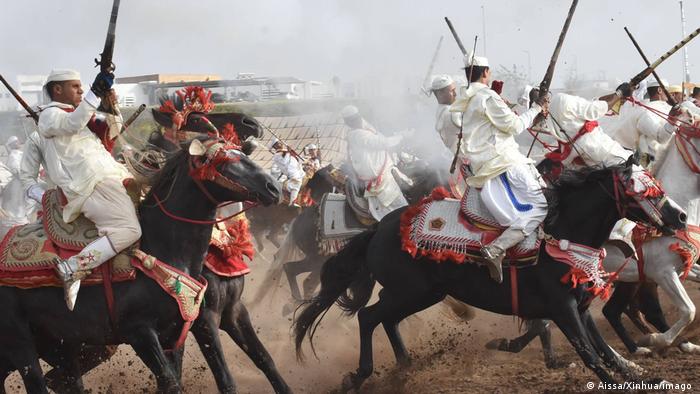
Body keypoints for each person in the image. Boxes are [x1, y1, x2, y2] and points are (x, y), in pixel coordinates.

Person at [38, 68, 140, 310]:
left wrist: (110, 105)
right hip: (90, 185)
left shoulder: (77, 115)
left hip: (110, 178)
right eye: (75, 86)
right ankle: (73, 267)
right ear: (57, 90)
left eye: (83, 87)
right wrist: (94, 93)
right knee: (129, 230)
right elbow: (73, 124)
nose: (81, 90)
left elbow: (112, 130)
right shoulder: (50, 115)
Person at [450, 53, 547, 283]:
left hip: (493, 163)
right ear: (485, 72)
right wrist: (535, 109)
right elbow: (514, 126)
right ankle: (496, 249)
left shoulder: (465, 99)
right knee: (541, 207)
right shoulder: (486, 96)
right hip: (503, 164)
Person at [342, 105, 409, 222]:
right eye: (353, 119)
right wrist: (402, 136)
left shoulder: (363, 129)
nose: (358, 120)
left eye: (358, 117)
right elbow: (383, 142)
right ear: (348, 122)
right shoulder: (358, 134)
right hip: (380, 181)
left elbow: (370, 127)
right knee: (401, 209)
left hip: (387, 173)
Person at [610, 79, 673, 167]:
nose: (670, 94)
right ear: (659, 90)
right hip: (639, 159)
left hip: (656, 157)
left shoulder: (658, 108)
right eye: (668, 90)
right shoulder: (646, 112)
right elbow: (660, 137)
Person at [269, 138, 304, 207]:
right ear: (274, 146)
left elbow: (296, 160)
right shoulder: (277, 155)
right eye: (278, 143)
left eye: (280, 142)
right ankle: (292, 202)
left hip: (299, 171)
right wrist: (288, 152)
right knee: (297, 183)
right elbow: (285, 162)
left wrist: (292, 153)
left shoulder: (284, 151)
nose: (281, 144)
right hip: (291, 172)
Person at [431, 74, 462, 152]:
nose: (455, 94)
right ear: (440, 94)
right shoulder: (450, 113)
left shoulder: (441, 110)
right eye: (452, 91)